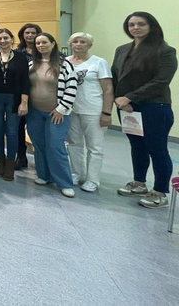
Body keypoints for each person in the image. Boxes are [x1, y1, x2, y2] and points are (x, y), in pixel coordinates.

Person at [113, 12, 177, 208]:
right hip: (126, 106)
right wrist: (119, 99)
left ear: (151, 26)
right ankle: (139, 183)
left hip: (155, 106)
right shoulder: (123, 49)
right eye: (131, 24)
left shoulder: (164, 50)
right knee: (137, 145)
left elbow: (161, 81)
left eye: (141, 24)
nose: (135, 28)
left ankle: (160, 192)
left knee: (156, 149)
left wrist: (130, 97)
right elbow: (116, 75)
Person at [26, 32, 77, 198]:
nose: (41, 46)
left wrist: (62, 108)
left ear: (53, 44)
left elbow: (71, 87)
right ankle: (44, 175)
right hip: (35, 112)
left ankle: (64, 182)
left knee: (56, 146)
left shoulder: (64, 64)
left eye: (44, 42)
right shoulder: (32, 64)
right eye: (38, 43)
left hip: (56, 113)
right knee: (39, 145)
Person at [66, 32, 114, 192]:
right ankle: (75, 173)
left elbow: (108, 89)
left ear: (89, 45)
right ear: (70, 44)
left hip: (93, 110)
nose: (78, 44)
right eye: (75, 42)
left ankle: (93, 180)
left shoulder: (99, 63)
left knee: (95, 147)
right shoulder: (65, 62)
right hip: (71, 110)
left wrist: (107, 112)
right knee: (74, 144)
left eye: (83, 42)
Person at [0, 28, 29, 181]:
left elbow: (24, 81)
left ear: (11, 39)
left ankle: (10, 164)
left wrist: (24, 102)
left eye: (5, 38)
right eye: (0, 39)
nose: (2, 41)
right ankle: (0, 161)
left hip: (14, 99)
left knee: (12, 132)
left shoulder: (21, 57)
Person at [15, 22, 43, 169]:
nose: (30, 35)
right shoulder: (17, 53)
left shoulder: (45, 52)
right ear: (22, 35)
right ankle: (21, 157)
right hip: (20, 97)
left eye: (33, 33)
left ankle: (41, 161)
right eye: (27, 33)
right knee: (18, 128)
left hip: (40, 96)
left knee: (36, 130)